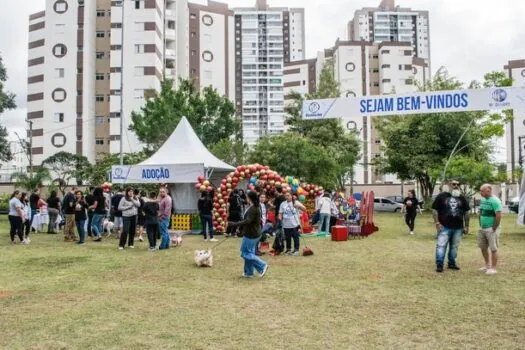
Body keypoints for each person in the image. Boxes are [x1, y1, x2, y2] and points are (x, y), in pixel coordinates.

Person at [432, 180, 470, 273]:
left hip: (458, 227)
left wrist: (467, 226)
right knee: (441, 246)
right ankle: (439, 264)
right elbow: (434, 210)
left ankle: (451, 263)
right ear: (448, 185)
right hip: (444, 226)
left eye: (458, 184)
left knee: (454, 246)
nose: (456, 186)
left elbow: (467, 212)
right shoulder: (442, 196)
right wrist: (437, 223)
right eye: (454, 184)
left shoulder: (461, 197)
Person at [229, 191, 269, 278]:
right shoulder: (252, 207)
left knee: (245, 253)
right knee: (249, 252)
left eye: (247, 197)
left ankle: (262, 265)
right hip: (252, 233)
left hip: (252, 234)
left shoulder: (254, 208)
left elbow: (248, 221)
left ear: (250, 198)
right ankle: (249, 272)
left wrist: (233, 224)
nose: (246, 198)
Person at [478, 184, 503, 275]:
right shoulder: (483, 199)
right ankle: (487, 265)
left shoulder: (495, 201)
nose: (480, 192)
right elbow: (480, 212)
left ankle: (493, 268)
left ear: (488, 191)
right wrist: (480, 223)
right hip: (482, 227)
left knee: (493, 248)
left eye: (482, 191)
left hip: (491, 228)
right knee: (483, 247)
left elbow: (498, 215)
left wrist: (494, 227)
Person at [279, 192, 307, 256]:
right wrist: (280, 219)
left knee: (295, 237)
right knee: (287, 238)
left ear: (291, 196)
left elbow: (304, 209)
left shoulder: (296, 202)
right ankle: (288, 249)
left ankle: (296, 250)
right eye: (285, 196)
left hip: (295, 224)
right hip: (286, 224)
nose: (287, 197)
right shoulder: (283, 204)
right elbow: (280, 213)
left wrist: (298, 206)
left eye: (288, 195)